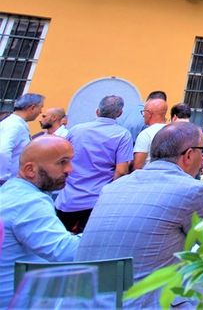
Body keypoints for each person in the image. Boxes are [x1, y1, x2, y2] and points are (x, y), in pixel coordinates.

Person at [77, 123, 203, 304]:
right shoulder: (192, 190)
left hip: (85, 301)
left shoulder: (114, 187)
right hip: (141, 304)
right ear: (189, 155)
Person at [0, 136, 80, 306]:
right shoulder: (29, 201)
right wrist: (102, 233)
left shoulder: (11, 190)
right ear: (30, 170)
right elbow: (66, 252)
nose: (70, 169)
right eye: (62, 162)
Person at [56, 95, 133, 233]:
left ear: (97, 111)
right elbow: (121, 171)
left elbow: (61, 159)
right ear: (120, 113)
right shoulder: (122, 135)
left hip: (68, 198)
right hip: (96, 201)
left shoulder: (76, 130)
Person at [0, 92, 44, 183]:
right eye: (40, 107)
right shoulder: (14, 125)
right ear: (32, 108)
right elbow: (2, 150)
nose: (40, 112)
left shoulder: (15, 123)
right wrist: (3, 178)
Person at [132, 97, 168, 170]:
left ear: (149, 114)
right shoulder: (173, 131)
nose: (143, 115)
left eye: (144, 111)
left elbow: (137, 166)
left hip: (147, 175)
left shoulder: (146, 134)